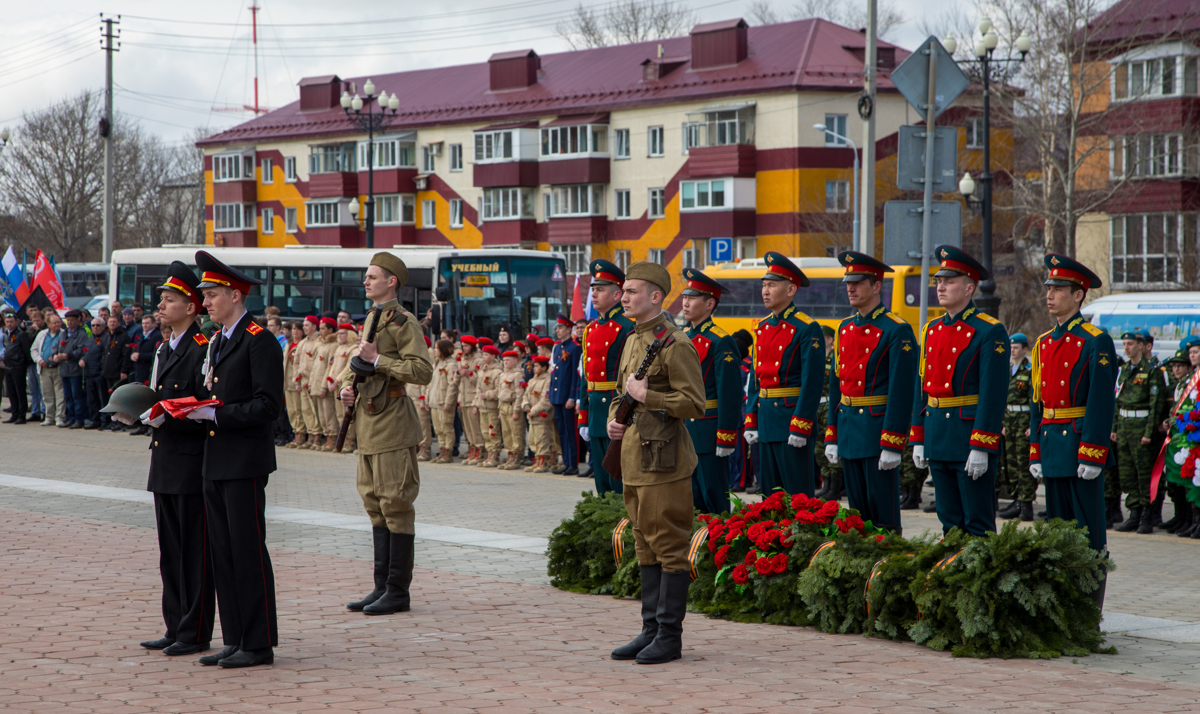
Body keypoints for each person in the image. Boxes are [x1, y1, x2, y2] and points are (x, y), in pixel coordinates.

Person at [188, 250, 283, 668]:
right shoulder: (218, 339)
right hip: (216, 458)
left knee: (246, 550)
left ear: (234, 294)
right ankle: (236, 637)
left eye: (210, 294)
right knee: (222, 552)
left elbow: (267, 406)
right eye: (204, 295)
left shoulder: (258, 340)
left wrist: (216, 413)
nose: (205, 302)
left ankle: (258, 642)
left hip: (244, 460)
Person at [606, 262, 704, 665]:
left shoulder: (675, 343)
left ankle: (669, 636)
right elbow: (621, 392)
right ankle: (650, 630)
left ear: (656, 297)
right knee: (643, 544)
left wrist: (651, 399)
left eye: (631, 291)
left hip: (664, 461)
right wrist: (615, 418)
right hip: (633, 456)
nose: (623, 297)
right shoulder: (633, 339)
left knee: (668, 545)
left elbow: (695, 403)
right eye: (623, 291)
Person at [337, 253, 432, 616]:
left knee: (395, 503)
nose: (366, 281)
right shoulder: (374, 318)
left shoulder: (403, 321)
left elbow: (422, 370)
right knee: (374, 502)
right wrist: (347, 388)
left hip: (393, 422)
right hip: (369, 421)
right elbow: (359, 365)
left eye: (373, 277)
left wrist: (380, 362)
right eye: (366, 276)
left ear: (391, 281)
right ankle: (381, 586)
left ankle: (397, 591)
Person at [137, 260, 216, 657]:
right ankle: (175, 625)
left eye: (169, 300)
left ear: (191, 306)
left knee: (194, 552)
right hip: (164, 460)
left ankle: (195, 629)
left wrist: (170, 412)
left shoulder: (202, 349)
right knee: (170, 552)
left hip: (191, 462)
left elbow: (205, 404)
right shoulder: (164, 348)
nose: (161, 306)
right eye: (162, 300)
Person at [1029, 254, 1116, 612]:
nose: (1050, 295)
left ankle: (1087, 612)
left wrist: (1093, 451)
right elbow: (1038, 404)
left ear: (1079, 295)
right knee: (1057, 530)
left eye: (1059, 289)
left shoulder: (1095, 340)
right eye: (1049, 288)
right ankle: (1062, 607)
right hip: (1052, 445)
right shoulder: (1044, 342)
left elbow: (1100, 401)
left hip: (1079, 445)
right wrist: (1035, 450)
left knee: (1087, 533)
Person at [910, 246, 1009, 537]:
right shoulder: (931, 329)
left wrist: (982, 444)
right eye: (938, 281)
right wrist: (918, 436)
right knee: (949, 522)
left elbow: (993, 392)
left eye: (949, 281)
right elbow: (922, 387)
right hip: (938, 433)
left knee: (977, 523)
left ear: (969, 288)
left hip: (967, 436)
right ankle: (953, 577)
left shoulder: (989, 330)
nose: (940, 286)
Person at [823, 252, 917, 533]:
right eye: (848, 283)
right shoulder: (845, 327)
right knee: (856, 516)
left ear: (877, 286)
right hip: (850, 427)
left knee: (883, 515)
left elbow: (902, 391)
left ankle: (887, 568)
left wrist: (893, 441)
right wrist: (832, 433)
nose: (850, 288)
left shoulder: (896, 330)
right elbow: (836, 385)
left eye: (858, 282)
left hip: (877, 430)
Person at [743, 252, 824, 496]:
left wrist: (801, 425)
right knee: (770, 496)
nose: (765, 291)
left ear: (790, 290)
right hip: (767, 418)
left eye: (772, 285)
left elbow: (812, 382)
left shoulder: (806, 327)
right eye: (764, 285)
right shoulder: (762, 326)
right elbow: (756, 380)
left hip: (791, 419)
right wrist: (752, 418)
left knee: (797, 495)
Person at [679, 268, 742, 515]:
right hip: (683, 428)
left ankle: (716, 546)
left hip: (707, 427)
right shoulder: (682, 336)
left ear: (709, 304)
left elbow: (730, 391)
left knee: (712, 495)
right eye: (685, 297)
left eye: (692, 298)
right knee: (688, 494)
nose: (685, 302)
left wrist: (726, 434)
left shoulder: (720, 341)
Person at [578, 259, 636, 494]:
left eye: (600, 290)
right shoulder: (590, 329)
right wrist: (583, 415)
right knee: (601, 479)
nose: (594, 294)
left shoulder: (627, 328)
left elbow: (630, 374)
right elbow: (586, 377)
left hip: (615, 408)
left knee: (617, 479)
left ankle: (623, 526)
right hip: (595, 410)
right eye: (593, 289)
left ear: (616, 295)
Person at [1112, 328, 1169, 534]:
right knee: (1126, 473)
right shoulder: (1124, 370)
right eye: (1125, 344)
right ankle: (1133, 513)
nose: (1127, 348)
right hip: (1125, 426)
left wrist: (1149, 432)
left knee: (1144, 473)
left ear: (1140, 345)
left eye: (1131, 344)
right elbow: (1117, 401)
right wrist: (1115, 428)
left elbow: (1156, 405)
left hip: (1142, 427)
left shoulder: (1152, 371)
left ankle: (1147, 514)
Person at [998, 333, 1036, 522]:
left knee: (1023, 462)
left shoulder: (1029, 370)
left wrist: (1031, 424)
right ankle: (1016, 500)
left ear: (1024, 349)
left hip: (1023, 420)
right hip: (1010, 420)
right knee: (1011, 462)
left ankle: (1026, 502)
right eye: (1010, 347)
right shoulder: (1006, 369)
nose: (1012, 350)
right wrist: (1004, 423)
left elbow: (1034, 399)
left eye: (1015, 347)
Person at [813, 324, 844, 501]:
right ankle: (826, 483)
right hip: (817, 406)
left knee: (831, 444)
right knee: (819, 449)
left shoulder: (834, 358)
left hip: (829, 406)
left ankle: (835, 486)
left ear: (830, 339)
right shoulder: (817, 357)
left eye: (822, 337)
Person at [549, 313, 581, 475]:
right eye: (557, 328)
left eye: (561, 328)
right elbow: (554, 372)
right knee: (561, 430)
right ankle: (566, 461)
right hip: (557, 395)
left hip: (567, 395)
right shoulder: (557, 347)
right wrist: (551, 394)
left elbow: (576, 374)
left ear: (569, 329)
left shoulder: (575, 348)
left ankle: (573, 464)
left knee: (570, 431)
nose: (558, 330)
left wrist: (572, 397)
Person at [328, 323, 360, 453]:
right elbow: (333, 365)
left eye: (343, 333)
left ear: (350, 334)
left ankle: (350, 442)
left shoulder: (354, 349)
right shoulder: (339, 348)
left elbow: (349, 368)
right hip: (337, 385)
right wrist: (330, 378)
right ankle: (343, 440)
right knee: (340, 415)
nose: (339, 336)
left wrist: (337, 380)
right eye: (339, 333)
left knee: (348, 415)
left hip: (345, 385)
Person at [311, 317, 340, 452]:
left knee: (329, 414)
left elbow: (330, 367)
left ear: (330, 330)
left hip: (324, 386)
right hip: (315, 384)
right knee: (321, 415)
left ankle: (332, 438)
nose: (320, 331)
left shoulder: (334, 345)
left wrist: (323, 386)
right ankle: (326, 436)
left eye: (323, 328)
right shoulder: (320, 344)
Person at [456, 335, 486, 465]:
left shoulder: (478, 360)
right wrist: (458, 373)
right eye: (463, 346)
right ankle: (472, 449)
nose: (464, 348)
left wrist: (469, 374)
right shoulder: (462, 359)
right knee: (467, 428)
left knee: (475, 427)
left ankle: (480, 451)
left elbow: (480, 381)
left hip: (472, 397)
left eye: (466, 346)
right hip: (463, 397)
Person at [101, 315, 134, 431]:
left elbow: (126, 355)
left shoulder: (123, 336)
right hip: (108, 372)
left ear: (119, 323)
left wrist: (124, 370)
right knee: (111, 399)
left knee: (119, 400)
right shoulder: (108, 336)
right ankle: (113, 421)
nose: (112, 323)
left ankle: (121, 422)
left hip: (118, 373)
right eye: (110, 322)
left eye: (114, 321)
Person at [59, 309, 90, 429]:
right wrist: (55, 355)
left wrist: (69, 355)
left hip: (75, 369)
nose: (70, 322)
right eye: (68, 320)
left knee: (77, 396)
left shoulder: (81, 334)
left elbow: (82, 350)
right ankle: (70, 418)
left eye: (72, 320)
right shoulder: (63, 333)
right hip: (64, 369)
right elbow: (58, 346)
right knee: (67, 396)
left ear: (78, 320)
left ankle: (79, 419)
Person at [523, 355, 555, 472]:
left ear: (544, 367)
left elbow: (546, 400)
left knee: (542, 438)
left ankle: (544, 461)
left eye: (536, 366)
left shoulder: (548, 380)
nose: (534, 368)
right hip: (531, 416)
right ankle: (537, 459)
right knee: (533, 439)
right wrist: (525, 405)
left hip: (541, 416)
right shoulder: (532, 380)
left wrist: (534, 411)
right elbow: (525, 395)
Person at [428, 339, 458, 463]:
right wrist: (427, 399)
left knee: (447, 428)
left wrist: (448, 403)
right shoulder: (437, 364)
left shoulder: (451, 365)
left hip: (443, 401)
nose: (435, 350)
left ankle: (448, 452)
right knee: (438, 429)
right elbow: (431, 384)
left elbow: (453, 385)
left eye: (437, 348)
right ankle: (441, 451)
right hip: (435, 401)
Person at [474, 344, 504, 468]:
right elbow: (477, 389)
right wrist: (476, 403)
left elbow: (499, 390)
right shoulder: (482, 371)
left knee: (493, 431)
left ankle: (495, 455)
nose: (483, 357)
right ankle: (489, 454)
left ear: (493, 356)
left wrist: (487, 394)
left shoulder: (497, 372)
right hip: (482, 406)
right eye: (483, 354)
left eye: (486, 355)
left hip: (492, 406)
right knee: (485, 432)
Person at [295, 316, 322, 449]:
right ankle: (310, 435)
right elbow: (296, 362)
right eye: (304, 325)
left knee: (314, 409)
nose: (304, 328)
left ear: (314, 327)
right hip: (303, 379)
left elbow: (317, 365)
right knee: (305, 409)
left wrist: (311, 382)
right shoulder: (302, 343)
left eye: (307, 325)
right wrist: (297, 380)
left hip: (313, 380)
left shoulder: (319, 341)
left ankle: (317, 436)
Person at [36, 312, 67, 427]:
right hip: (45, 368)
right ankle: (49, 417)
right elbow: (33, 350)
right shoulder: (42, 334)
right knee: (47, 394)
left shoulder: (64, 334)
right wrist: (39, 360)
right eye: (54, 323)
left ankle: (60, 417)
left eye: (59, 322)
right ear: (48, 324)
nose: (57, 325)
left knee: (60, 394)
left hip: (58, 367)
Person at [497, 350, 526, 470]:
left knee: (516, 432)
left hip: (512, 405)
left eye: (508, 360)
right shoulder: (503, 374)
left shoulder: (518, 374)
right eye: (504, 360)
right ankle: (509, 455)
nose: (505, 362)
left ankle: (516, 457)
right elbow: (500, 392)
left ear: (515, 361)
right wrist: (499, 409)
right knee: (507, 433)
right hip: (503, 406)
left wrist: (516, 410)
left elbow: (520, 394)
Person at [4, 312, 32, 423]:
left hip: (18, 366)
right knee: (11, 392)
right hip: (9, 366)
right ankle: (14, 414)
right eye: (7, 322)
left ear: (16, 322)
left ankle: (21, 415)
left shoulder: (21, 334)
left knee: (20, 392)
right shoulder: (8, 334)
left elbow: (26, 351)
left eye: (11, 322)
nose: (9, 324)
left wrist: (24, 364)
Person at [83, 317, 111, 429]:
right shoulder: (90, 339)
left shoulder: (106, 338)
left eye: (98, 325)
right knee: (92, 400)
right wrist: (83, 359)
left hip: (99, 373)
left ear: (103, 326)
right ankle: (95, 420)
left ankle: (105, 421)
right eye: (93, 325)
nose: (95, 327)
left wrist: (102, 371)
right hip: (89, 373)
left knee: (102, 399)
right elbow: (85, 352)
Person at [410, 335, 434, 462]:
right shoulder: (412, 355)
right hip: (411, 395)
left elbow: (426, 379)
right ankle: (417, 447)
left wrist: (424, 398)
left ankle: (426, 448)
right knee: (413, 424)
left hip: (420, 396)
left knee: (423, 425)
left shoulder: (426, 357)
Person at [25, 309, 47, 423]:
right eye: (34, 321)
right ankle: (35, 411)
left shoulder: (45, 331)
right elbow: (28, 344)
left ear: (43, 320)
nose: (36, 323)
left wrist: (38, 331)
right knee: (33, 390)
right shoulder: (30, 330)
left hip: (41, 363)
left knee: (42, 389)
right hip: (31, 363)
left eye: (38, 320)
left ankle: (44, 411)